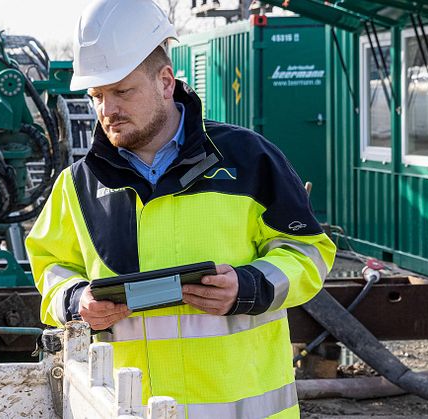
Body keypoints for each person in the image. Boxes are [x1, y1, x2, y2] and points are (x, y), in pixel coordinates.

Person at [26, 0, 336, 417]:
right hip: (130, 410)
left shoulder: (249, 158)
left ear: (166, 82)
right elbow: (51, 268)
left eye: (122, 91)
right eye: (97, 95)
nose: (108, 110)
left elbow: (310, 252)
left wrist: (248, 287)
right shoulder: (77, 185)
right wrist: (77, 300)